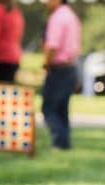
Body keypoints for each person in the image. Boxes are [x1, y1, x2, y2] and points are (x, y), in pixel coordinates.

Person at [42, 0, 80, 150]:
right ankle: (65, 143)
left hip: (59, 68)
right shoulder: (72, 16)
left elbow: (52, 46)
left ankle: (59, 142)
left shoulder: (57, 17)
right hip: (71, 67)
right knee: (62, 109)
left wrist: (45, 63)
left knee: (49, 109)